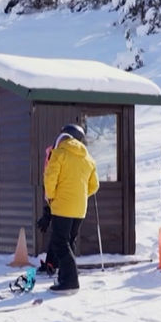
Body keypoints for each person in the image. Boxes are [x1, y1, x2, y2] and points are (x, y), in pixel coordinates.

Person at [43, 124, 100, 294]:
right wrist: (80, 196)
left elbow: (50, 178)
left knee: (60, 242)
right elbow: (94, 186)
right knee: (69, 242)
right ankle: (65, 277)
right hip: (80, 208)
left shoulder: (59, 153)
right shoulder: (88, 158)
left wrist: (51, 197)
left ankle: (70, 281)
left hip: (62, 206)